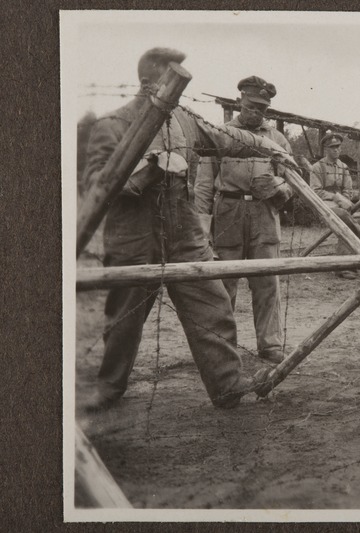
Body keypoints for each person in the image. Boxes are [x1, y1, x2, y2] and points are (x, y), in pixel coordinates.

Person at [82, 48, 293, 411]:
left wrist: (268, 146)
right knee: (125, 317)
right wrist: (152, 167)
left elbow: (227, 138)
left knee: (213, 304)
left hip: (184, 232)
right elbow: (98, 186)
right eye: (171, 82)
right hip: (133, 235)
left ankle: (227, 385)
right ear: (148, 83)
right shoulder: (112, 124)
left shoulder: (181, 117)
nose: (177, 93)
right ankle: (110, 385)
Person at [194, 76, 294, 364]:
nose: (256, 112)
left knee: (267, 282)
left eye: (262, 108)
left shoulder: (277, 140)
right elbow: (203, 185)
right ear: (239, 102)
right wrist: (202, 230)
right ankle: (223, 346)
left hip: (265, 214)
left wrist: (279, 189)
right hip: (229, 211)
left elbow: (293, 182)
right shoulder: (220, 133)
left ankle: (270, 344)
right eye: (251, 106)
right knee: (225, 283)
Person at [310, 132, 360, 279]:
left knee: (345, 222)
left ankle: (347, 266)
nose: (336, 150)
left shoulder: (343, 167)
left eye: (338, 146)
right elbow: (315, 192)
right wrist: (335, 197)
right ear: (326, 149)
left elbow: (348, 189)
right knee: (345, 219)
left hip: (342, 208)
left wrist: (345, 200)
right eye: (332, 147)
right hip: (323, 206)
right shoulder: (317, 167)